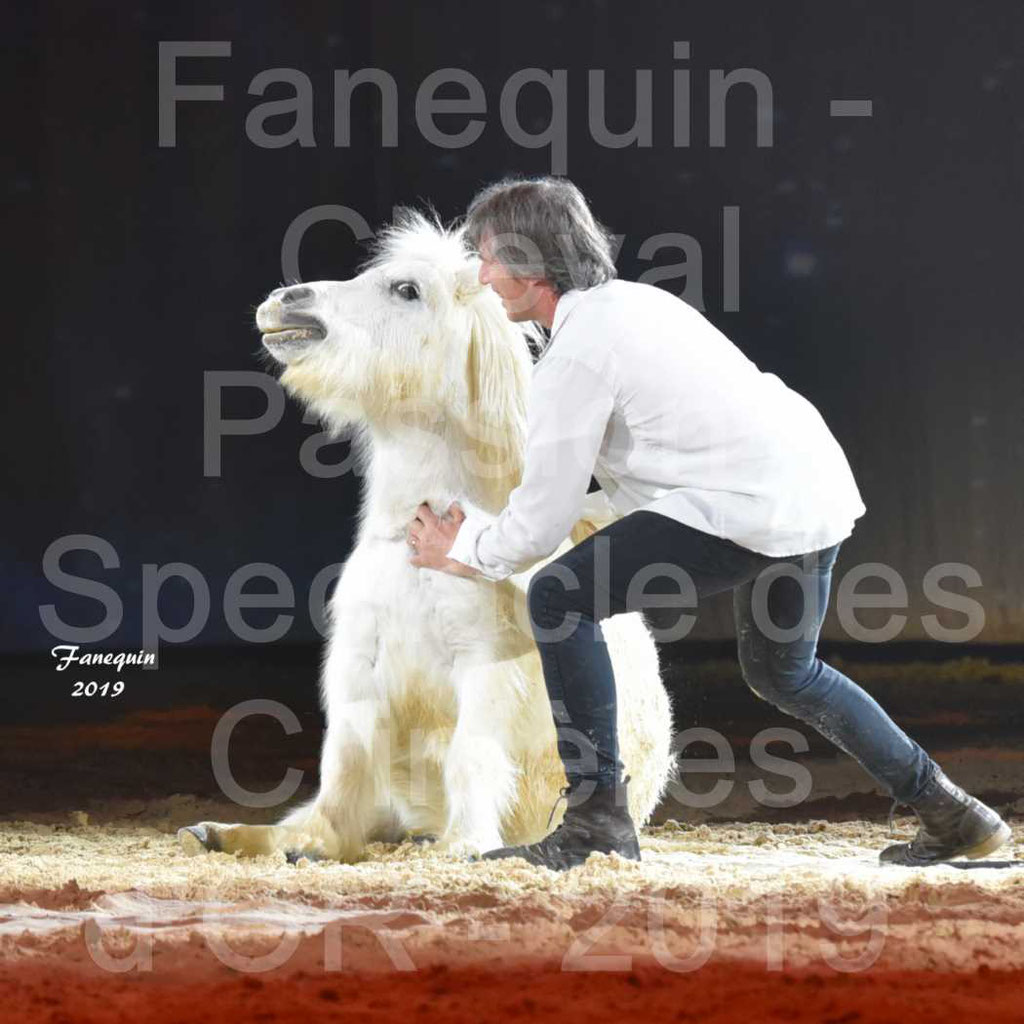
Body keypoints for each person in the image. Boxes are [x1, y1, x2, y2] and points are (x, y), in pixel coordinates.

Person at [407, 176, 1011, 872]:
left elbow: (536, 531)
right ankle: (953, 813)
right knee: (786, 671)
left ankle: (598, 819)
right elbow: (662, 460)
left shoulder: (575, 355)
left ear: (535, 263)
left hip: (748, 502)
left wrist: (465, 550)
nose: (481, 277)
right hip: (809, 485)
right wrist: (546, 525)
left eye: (489, 259)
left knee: (559, 596)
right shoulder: (634, 305)